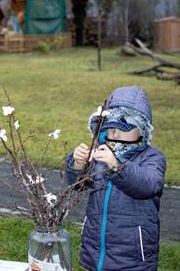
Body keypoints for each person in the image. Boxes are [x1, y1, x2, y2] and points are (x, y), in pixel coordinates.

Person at [66, 86, 166, 271]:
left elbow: (148, 186)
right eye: (110, 125)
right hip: (96, 248)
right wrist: (78, 165)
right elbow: (78, 185)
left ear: (142, 129)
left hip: (133, 253)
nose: (115, 133)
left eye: (124, 126)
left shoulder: (152, 157)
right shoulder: (101, 152)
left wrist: (117, 166)